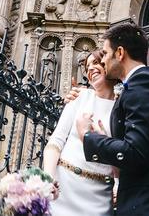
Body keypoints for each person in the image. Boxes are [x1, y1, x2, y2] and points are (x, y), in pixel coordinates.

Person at [76, 23, 149, 216]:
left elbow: (135, 153)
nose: (103, 61)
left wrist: (87, 136)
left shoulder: (143, 83)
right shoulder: (138, 84)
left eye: (104, 53)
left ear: (120, 52)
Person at [43, 50, 117, 216]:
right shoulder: (79, 97)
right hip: (64, 186)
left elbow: (121, 155)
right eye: (87, 66)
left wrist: (118, 184)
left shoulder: (122, 107)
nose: (90, 68)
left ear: (108, 65)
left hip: (100, 195)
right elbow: (56, 141)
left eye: (96, 63)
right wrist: (48, 176)